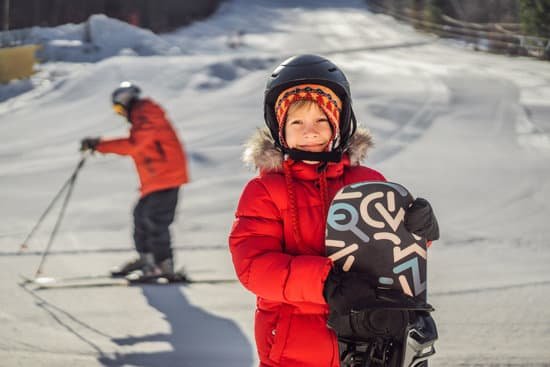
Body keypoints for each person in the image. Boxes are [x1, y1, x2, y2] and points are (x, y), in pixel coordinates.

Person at [228, 55, 439, 367]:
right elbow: (254, 268)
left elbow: (392, 254)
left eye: (320, 121)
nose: (309, 132)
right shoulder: (264, 192)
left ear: (338, 124)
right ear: (280, 128)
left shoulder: (367, 184)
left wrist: (418, 233)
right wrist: (325, 283)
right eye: (297, 122)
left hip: (367, 344)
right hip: (293, 349)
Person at [80, 81, 189, 278]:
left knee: (155, 221)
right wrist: (99, 145)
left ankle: (162, 264)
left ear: (125, 101)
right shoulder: (142, 116)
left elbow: (134, 145)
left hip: (166, 177)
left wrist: (100, 145)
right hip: (156, 178)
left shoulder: (147, 114)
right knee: (141, 216)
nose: (119, 113)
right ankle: (147, 260)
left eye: (118, 108)